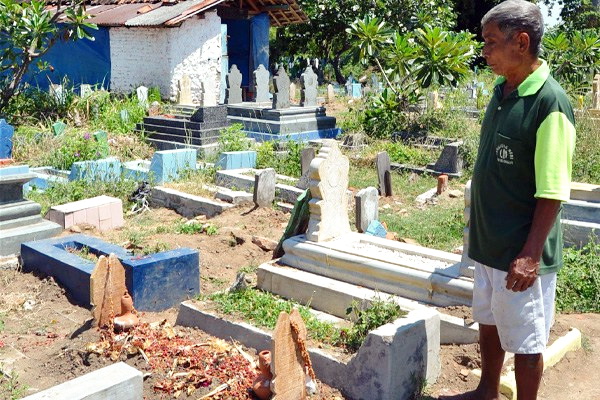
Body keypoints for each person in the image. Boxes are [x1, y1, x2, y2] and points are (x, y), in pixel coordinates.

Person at [442, 1, 576, 400]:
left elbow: (552, 189)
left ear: (521, 42)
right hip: (488, 243)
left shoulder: (550, 103)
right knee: (489, 318)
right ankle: (487, 390)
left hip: (520, 251)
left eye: (491, 42)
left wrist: (531, 253)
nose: (485, 51)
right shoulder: (503, 90)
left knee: (527, 336)